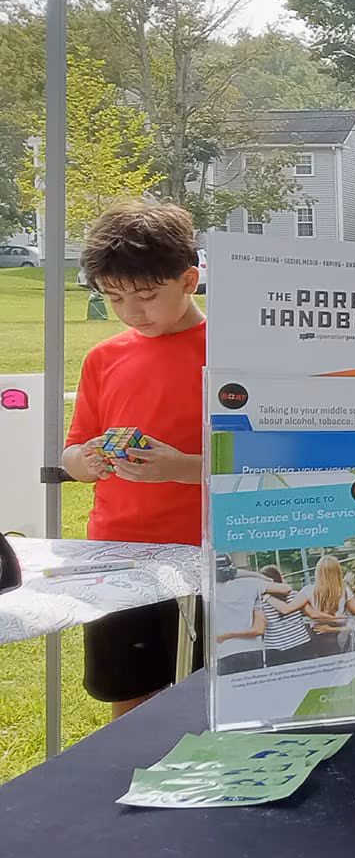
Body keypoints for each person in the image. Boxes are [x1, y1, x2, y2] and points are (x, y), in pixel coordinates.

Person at [59, 200, 208, 716]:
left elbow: (264, 466)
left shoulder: (230, 354)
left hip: (207, 553)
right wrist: (86, 460)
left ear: (189, 279)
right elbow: (73, 452)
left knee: (207, 692)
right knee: (128, 690)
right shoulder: (104, 358)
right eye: (114, 298)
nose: (131, 312)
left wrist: (182, 468)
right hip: (117, 552)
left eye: (147, 296)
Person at [209, 557, 294, 675]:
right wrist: (252, 574)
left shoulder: (208, 593)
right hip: (252, 650)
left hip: (224, 652)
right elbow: (286, 588)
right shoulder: (249, 583)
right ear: (232, 568)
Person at [296, 555, 351, 658]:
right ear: (337, 572)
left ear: (318, 572)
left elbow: (301, 611)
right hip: (339, 637)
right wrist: (336, 622)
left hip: (315, 636)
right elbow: (353, 622)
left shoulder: (307, 590)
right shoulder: (345, 591)